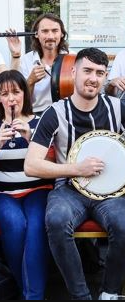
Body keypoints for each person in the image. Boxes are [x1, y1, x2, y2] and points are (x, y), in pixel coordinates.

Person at [24, 47, 125, 300]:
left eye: (100, 73)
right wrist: (75, 169)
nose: (93, 78)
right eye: (88, 71)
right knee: (57, 220)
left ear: (105, 77)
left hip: (113, 194)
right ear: (74, 72)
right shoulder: (55, 113)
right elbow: (32, 165)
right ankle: (81, 296)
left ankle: (109, 294)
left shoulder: (117, 108)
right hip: (69, 190)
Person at [0, 70, 52, 299]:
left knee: (34, 228)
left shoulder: (41, 120)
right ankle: (27, 289)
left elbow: (55, 162)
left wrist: (31, 138)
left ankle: (33, 296)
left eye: (16, 92)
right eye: (4, 94)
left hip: (38, 189)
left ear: (25, 94)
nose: (11, 99)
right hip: (5, 192)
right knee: (15, 225)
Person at [7, 14, 69, 115]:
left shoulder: (73, 58)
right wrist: (30, 81)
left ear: (62, 34)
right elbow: (17, 100)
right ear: (36, 34)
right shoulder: (26, 61)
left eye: (55, 31)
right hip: (37, 115)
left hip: (67, 114)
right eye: (45, 31)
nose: (50, 36)